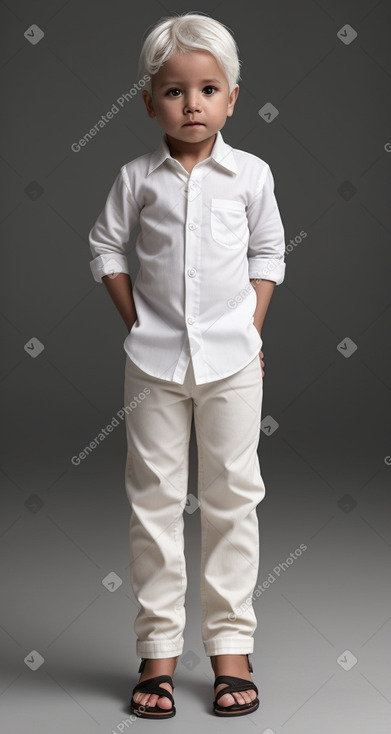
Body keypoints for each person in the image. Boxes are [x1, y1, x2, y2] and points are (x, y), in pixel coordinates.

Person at [88, 11, 286, 719]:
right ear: (148, 100)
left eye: (208, 89)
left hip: (234, 363)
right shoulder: (137, 178)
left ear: (232, 97)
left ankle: (231, 648)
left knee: (235, 497)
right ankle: (159, 651)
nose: (191, 103)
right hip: (154, 367)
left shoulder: (250, 176)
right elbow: (106, 248)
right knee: (155, 505)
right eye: (173, 91)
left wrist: (250, 327)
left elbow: (268, 253)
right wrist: (138, 321)